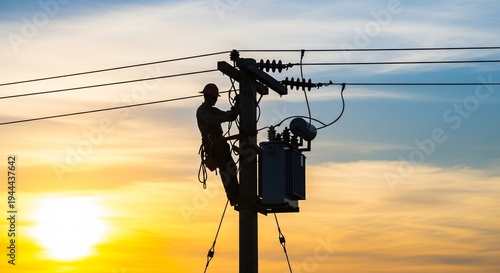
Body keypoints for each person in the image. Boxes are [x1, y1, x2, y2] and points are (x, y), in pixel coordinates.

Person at [196, 83, 241, 206]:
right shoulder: (202, 111)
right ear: (207, 97)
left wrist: (237, 105)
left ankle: (237, 195)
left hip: (220, 143)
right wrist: (225, 116)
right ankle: (234, 197)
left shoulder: (212, 110)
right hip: (213, 146)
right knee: (227, 169)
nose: (215, 100)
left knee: (231, 168)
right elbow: (212, 121)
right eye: (214, 98)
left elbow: (230, 117)